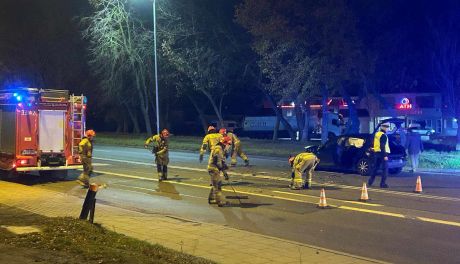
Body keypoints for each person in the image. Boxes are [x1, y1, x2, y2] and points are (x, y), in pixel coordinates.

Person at [207, 136, 232, 206]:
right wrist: (224, 171)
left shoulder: (220, 148)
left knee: (216, 184)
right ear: (225, 143)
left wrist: (225, 173)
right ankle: (219, 201)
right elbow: (218, 162)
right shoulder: (218, 149)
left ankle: (211, 198)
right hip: (213, 169)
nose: (229, 146)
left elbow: (222, 162)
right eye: (229, 144)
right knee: (217, 186)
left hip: (215, 169)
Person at [368, 122, 390, 188]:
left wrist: (371, 149)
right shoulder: (383, 135)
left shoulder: (377, 134)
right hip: (382, 154)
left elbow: (372, 142)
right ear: (385, 128)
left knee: (375, 168)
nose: (388, 129)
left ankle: (370, 181)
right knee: (385, 169)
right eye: (387, 128)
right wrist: (385, 155)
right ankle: (382, 184)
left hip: (376, 153)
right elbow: (382, 146)